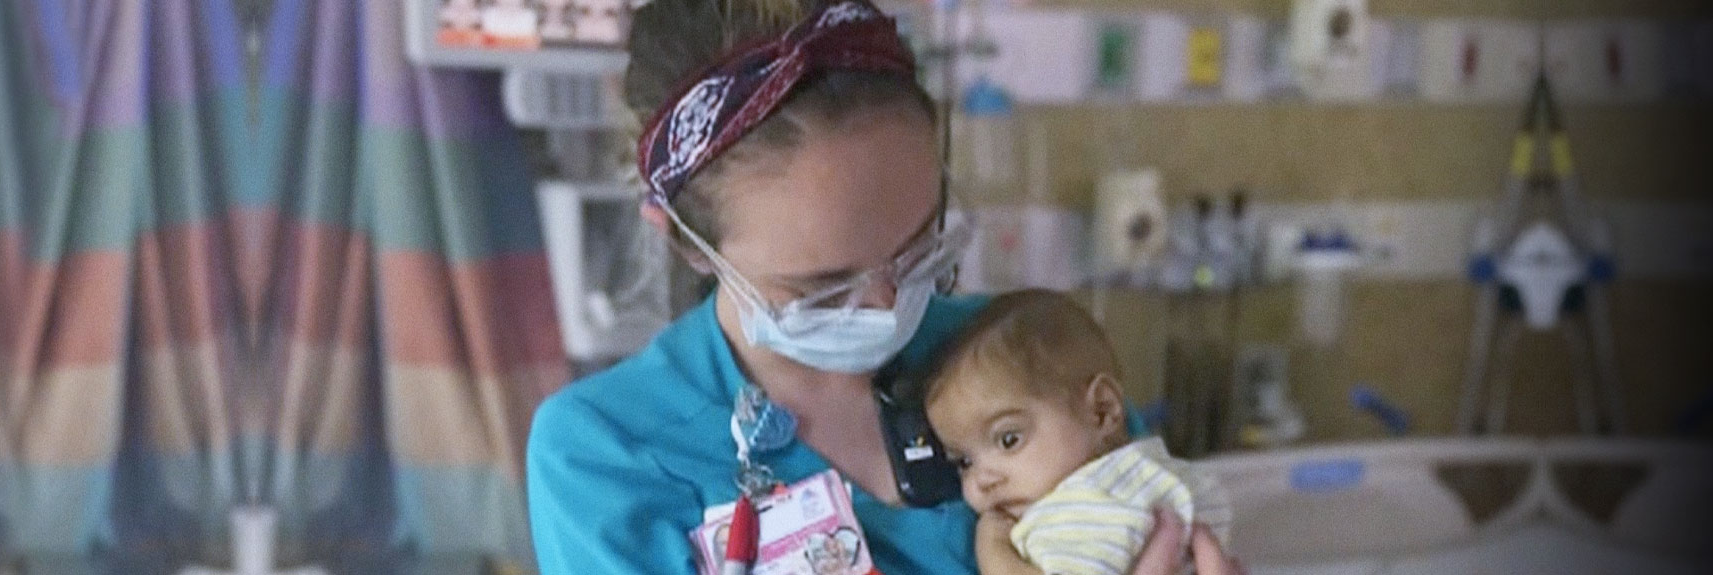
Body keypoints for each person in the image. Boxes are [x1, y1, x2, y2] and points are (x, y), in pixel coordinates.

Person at [526, 1, 1237, 573]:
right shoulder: (604, 452)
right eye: (823, 285)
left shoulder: (1028, 352)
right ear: (685, 239)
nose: (886, 304)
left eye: (919, 246)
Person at [924, 290, 1234, 575]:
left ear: (1102, 410)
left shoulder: (1081, 510)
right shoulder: (1153, 476)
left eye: (1009, 439)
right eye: (964, 462)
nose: (982, 481)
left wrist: (994, 554)